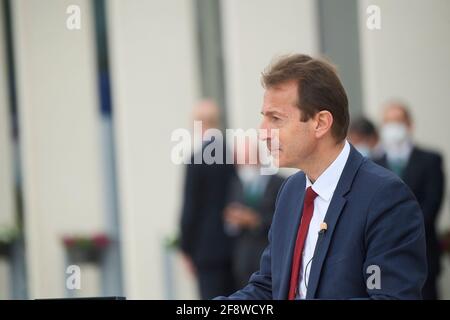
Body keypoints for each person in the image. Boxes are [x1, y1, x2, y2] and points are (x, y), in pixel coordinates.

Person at [216, 54, 427, 300]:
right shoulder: (291, 191)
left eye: (275, 118)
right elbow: (268, 287)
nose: (262, 132)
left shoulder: (386, 198)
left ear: (321, 123)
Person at [375, 101, 445, 300]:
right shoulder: (374, 163)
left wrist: (403, 232)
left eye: (397, 121)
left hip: (423, 252)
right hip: (384, 256)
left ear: (409, 125)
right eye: (388, 122)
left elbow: (431, 205)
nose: (392, 127)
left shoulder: (430, 160)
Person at [179, 100, 236, 299]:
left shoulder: (196, 158)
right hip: (235, 247)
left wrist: (185, 248)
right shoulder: (233, 154)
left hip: (206, 249)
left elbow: (190, 208)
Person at [224, 141, 284, 288]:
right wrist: (233, 219)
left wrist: (256, 221)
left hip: (270, 258)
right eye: (241, 161)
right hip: (243, 261)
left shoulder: (280, 183)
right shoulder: (237, 184)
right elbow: (229, 221)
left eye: (247, 159)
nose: (244, 165)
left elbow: (284, 220)